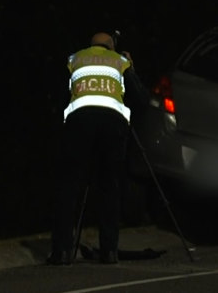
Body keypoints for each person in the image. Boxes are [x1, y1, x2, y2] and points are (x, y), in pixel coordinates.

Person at [48, 31, 149, 265]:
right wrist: (131, 69)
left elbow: (60, 96)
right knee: (109, 186)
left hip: (79, 124)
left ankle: (62, 251)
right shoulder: (120, 61)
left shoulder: (75, 59)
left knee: (69, 186)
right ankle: (109, 251)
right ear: (111, 47)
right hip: (112, 127)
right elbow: (142, 100)